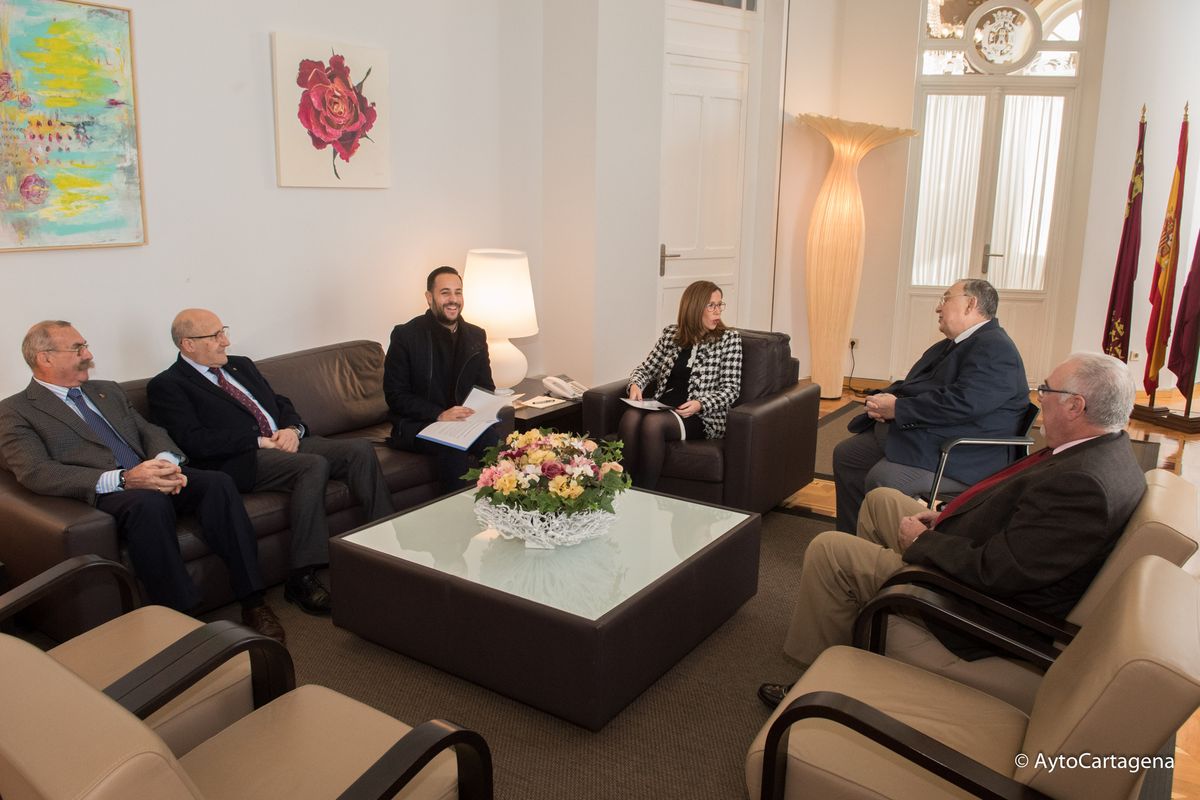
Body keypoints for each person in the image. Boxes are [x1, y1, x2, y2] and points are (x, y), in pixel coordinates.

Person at [758, 352, 1146, 708]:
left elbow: (999, 571)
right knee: (881, 501)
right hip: (977, 545)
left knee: (829, 549)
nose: (1039, 397)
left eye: (1047, 389)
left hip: (972, 604)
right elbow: (1020, 524)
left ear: (1076, 406)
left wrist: (924, 543)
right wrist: (946, 514)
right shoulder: (1100, 453)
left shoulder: (1083, 485)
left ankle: (812, 685)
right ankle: (860, 618)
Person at [0, 321, 285, 643]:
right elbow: (35, 471)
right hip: (105, 488)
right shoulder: (16, 411)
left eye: (85, 346)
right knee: (148, 503)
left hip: (150, 472)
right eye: (78, 349)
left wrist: (165, 462)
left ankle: (253, 601)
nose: (89, 355)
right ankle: (181, 618)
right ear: (45, 358)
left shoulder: (107, 390)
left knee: (216, 483)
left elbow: (149, 430)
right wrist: (124, 478)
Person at [146, 309, 394, 616]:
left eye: (223, 331)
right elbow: (193, 440)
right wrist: (258, 441)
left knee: (359, 450)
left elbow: (280, 403)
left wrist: (291, 429)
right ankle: (302, 576)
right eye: (216, 336)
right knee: (312, 465)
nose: (226, 341)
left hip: (285, 441)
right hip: (243, 459)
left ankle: (386, 542)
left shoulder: (240, 365)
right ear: (188, 344)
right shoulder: (168, 385)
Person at [834, 278, 1028, 533]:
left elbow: (962, 403)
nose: (938, 307)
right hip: (932, 436)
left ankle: (900, 548)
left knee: (884, 478)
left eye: (946, 299)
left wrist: (898, 409)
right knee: (849, 456)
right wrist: (883, 398)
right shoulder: (955, 344)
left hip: (964, 453)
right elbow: (916, 385)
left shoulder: (996, 349)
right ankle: (854, 539)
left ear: (971, 304)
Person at [384, 266, 500, 493]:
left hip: (462, 422)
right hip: (419, 424)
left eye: (458, 292)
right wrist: (439, 414)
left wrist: (479, 411)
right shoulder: (405, 336)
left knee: (493, 441)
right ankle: (456, 512)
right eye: (445, 293)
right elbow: (395, 395)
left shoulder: (476, 336)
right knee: (453, 446)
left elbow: (485, 387)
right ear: (429, 298)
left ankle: (501, 506)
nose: (453, 300)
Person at [618, 280, 742, 490]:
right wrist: (635, 385)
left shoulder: (729, 339)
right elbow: (645, 369)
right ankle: (620, 489)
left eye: (720, 304)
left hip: (700, 415)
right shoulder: (671, 335)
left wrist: (700, 404)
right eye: (711, 305)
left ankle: (645, 493)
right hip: (663, 406)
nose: (718, 311)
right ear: (694, 307)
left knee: (653, 424)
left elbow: (731, 389)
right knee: (630, 417)